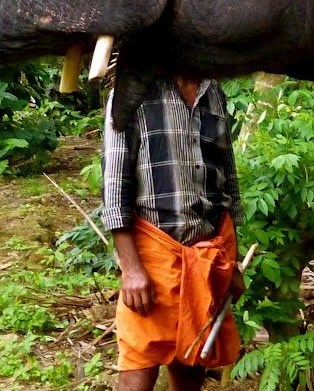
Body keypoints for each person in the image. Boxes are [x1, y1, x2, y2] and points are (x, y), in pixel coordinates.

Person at [102, 74, 245, 391]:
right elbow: (115, 190)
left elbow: (228, 178)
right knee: (139, 360)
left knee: (192, 356)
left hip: (206, 254)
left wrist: (231, 263)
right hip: (153, 255)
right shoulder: (131, 92)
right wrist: (132, 269)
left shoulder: (213, 92)